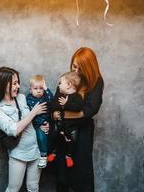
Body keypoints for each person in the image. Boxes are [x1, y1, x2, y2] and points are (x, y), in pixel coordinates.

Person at [0, 66, 49, 192]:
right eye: (14, 83)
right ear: (3, 84)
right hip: (18, 154)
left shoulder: (21, 98)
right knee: (13, 189)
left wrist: (42, 125)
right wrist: (34, 112)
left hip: (36, 150)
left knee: (33, 188)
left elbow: (31, 121)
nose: (18, 86)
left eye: (17, 83)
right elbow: (13, 130)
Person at [52, 47, 104, 192]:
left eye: (80, 68)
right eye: (74, 66)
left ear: (88, 68)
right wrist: (54, 113)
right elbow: (56, 102)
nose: (75, 71)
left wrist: (62, 115)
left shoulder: (96, 81)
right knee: (62, 172)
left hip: (82, 132)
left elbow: (89, 110)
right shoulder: (68, 78)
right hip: (64, 130)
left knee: (82, 172)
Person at [48, 71, 85, 168]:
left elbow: (78, 107)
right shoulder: (60, 95)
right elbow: (53, 105)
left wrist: (66, 104)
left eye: (60, 83)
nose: (59, 85)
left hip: (72, 127)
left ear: (69, 85)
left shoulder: (77, 97)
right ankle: (53, 152)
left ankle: (68, 155)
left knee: (74, 139)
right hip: (60, 124)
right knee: (54, 134)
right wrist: (58, 108)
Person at [26, 75, 54, 168]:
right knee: (40, 137)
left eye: (41, 88)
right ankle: (44, 154)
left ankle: (44, 155)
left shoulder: (45, 97)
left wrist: (46, 88)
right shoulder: (28, 99)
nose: (38, 91)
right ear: (30, 90)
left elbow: (52, 101)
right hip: (33, 124)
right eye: (35, 88)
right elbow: (27, 114)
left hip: (44, 123)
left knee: (43, 138)